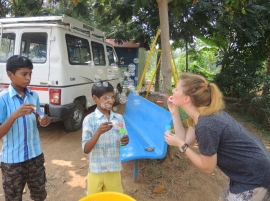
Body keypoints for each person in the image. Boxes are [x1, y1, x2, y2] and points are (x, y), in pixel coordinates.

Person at [165, 73, 270, 201]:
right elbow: (186, 139)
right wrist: (174, 113)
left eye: (176, 88)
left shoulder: (206, 124)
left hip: (255, 176)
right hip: (244, 172)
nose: (173, 91)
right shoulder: (201, 114)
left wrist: (181, 145)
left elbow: (208, 167)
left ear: (186, 98)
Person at [0, 55, 51, 201]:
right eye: (24, 74)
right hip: (12, 162)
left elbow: (39, 116)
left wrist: (43, 120)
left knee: (39, 195)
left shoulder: (33, 96)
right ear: (10, 75)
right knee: (13, 197)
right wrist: (13, 116)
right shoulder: (3, 99)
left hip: (35, 157)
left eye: (30, 74)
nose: (28, 78)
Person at [82, 81, 129, 195]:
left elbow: (123, 136)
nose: (111, 101)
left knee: (115, 198)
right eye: (106, 98)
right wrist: (98, 132)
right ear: (95, 98)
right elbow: (86, 149)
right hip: (96, 171)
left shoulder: (119, 119)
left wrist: (125, 141)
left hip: (114, 169)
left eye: (112, 97)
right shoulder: (89, 120)